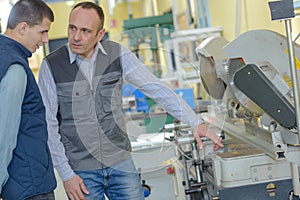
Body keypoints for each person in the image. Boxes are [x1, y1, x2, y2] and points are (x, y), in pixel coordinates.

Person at [38, 1, 223, 200]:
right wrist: (66, 174)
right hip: (81, 171)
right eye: (72, 28)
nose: (76, 37)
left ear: (100, 34)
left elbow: (156, 88)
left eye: (85, 31)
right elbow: (48, 123)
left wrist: (196, 122)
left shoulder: (117, 54)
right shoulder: (52, 66)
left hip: (121, 164)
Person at [0, 0, 57, 199]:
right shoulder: (14, 66)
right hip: (28, 186)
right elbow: (4, 133)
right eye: (43, 31)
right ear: (23, 27)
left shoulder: (5, 56)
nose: (46, 39)